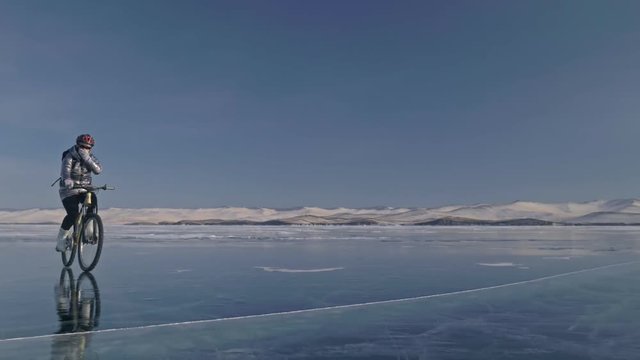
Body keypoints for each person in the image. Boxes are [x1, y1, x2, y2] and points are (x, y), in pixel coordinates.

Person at [56, 134, 102, 252]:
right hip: (68, 190)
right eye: (82, 146)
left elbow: (98, 170)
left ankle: (88, 231)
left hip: (85, 188)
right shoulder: (69, 156)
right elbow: (65, 170)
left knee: (93, 201)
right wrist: (67, 180)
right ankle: (61, 240)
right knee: (73, 215)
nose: (85, 149)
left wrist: (87, 158)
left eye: (88, 147)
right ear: (77, 145)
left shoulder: (91, 158)